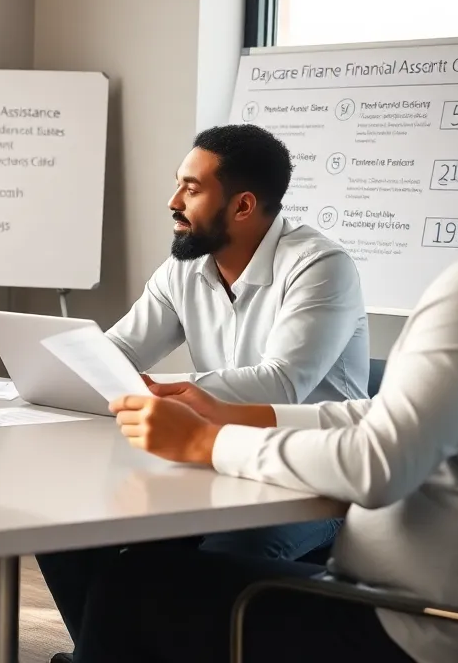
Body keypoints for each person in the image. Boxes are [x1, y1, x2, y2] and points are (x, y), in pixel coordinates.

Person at [74, 245, 458, 663]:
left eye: (191, 187)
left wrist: (204, 442)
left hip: (415, 625)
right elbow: (396, 414)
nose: (177, 200)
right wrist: (235, 416)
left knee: (130, 584)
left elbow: (378, 465)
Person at [38, 124, 370, 662]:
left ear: (242, 206)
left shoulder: (320, 266)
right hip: (207, 460)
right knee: (65, 529)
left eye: (190, 189)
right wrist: (61, 365)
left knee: (196, 567)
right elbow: (121, 349)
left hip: (308, 476)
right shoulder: (184, 267)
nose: (173, 201)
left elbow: (283, 381)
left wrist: (169, 389)